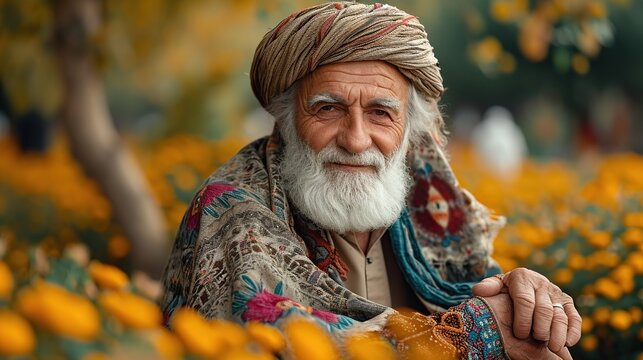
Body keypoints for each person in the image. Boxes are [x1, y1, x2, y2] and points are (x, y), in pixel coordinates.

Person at [161, 2, 581, 358]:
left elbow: (486, 298)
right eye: (328, 109)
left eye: (381, 113)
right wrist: (471, 334)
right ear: (287, 120)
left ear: (409, 129)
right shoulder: (231, 208)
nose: (356, 139)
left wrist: (520, 295)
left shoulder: (426, 199)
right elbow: (271, 342)